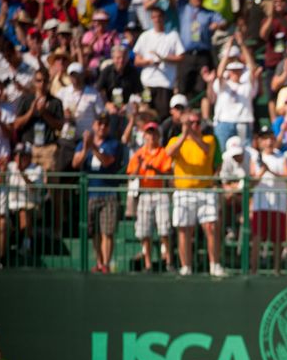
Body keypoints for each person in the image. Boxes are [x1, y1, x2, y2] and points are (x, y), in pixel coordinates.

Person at [165, 109, 224, 277]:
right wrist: (184, 135)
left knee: (211, 227)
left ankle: (215, 265)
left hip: (205, 190)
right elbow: (169, 153)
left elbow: (206, 150)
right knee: (184, 230)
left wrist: (192, 134)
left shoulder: (209, 139)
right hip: (183, 192)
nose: (194, 126)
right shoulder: (175, 140)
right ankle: (186, 267)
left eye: (197, 123)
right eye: (190, 123)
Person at [72, 114, 121, 273]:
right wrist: (86, 148)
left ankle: (106, 264)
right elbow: (75, 163)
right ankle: (99, 262)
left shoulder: (113, 143)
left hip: (108, 193)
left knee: (107, 231)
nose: (102, 127)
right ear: (94, 124)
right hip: (90, 193)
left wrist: (92, 146)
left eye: (105, 124)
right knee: (94, 232)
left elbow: (107, 161)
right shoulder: (82, 144)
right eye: (99, 123)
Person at [126, 122, 174, 272]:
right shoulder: (139, 154)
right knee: (144, 231)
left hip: (160, 193)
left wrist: (153, 169)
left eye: (154, 133)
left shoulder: (163, 152)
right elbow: (132, 176)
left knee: (164, 230)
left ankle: (169, 262)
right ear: (144, 135)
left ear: (158, 136)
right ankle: (148, 264)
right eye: (149, 133)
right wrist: (140, 166)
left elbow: (168, 174)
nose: (151, 136)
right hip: (145, 193)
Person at [249, 128, 287, 276]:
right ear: (260, 141)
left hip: (279, 206)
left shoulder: (282, 156)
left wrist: (270, 171)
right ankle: (253, 271)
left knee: (278, 240)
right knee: (257, 238)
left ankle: (277, 271)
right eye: (265, 138)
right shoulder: (255, 159)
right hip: (261, 206)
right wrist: (262, 171)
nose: (269, 141)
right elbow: (252, 181)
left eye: (271, 138)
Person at [133, 6, 185, 121]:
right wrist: (149, 61)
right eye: (154, 17)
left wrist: (164, 58)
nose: (157, 20)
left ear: (164, 18)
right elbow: (136, 60)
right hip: (148, 83)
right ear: (151, 19)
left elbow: (181, 57)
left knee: (163, 117)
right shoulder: (145, 36)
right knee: (145, 115)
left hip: (165, 84)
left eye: (159, 17)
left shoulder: (172, 36)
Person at [6, 142, 44, 254]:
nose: (18, 158)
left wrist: (22, 172)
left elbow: (33, 188)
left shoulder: (37, 169)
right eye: (16, 155)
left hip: (31, 204)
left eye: (22, 155)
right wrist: (2, 171)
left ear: (29, 157)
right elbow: (0, 184)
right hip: (9, 205)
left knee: (24, 211)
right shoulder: (9, 167)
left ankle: (26, 245)